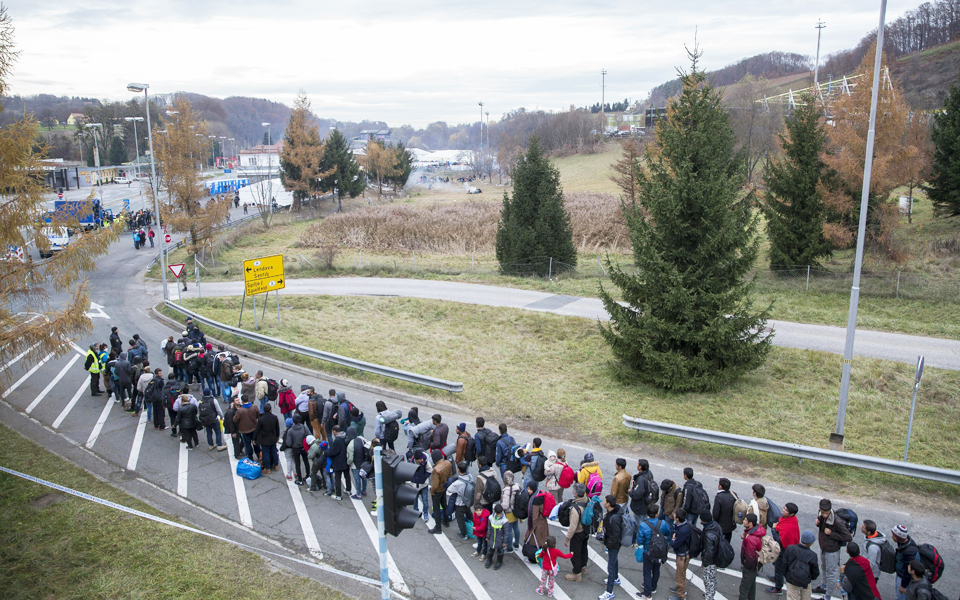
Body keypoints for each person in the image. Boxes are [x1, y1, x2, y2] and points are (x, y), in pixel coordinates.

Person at [814, 499, 853, 600]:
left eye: (826, 513)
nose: (824, 515)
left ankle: (828, 596)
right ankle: (823, 586)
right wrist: (818, 523)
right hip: (824, 547)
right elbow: (823, 528)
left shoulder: (837, 521)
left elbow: (848, 537)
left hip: (832, 551)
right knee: (823, 567)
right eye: (822, 512)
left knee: (830, 573)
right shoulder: (821, 516)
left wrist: (832, 534)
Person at [636, 503, 672, 600]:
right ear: (657, 513)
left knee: (647, 572)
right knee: (656, 569)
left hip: (649, 551)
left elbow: (639, 540)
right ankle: (653, 587)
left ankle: (647, 593)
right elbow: (668, 533)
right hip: (660, 550)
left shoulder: (643, 525)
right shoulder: (663, 523)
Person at [769, 502, 801, 594]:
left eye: (786, 510)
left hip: (784, 550)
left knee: (779, 567)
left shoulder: (788, 527)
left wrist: (774, 529)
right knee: (776, 563)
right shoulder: (791, 519)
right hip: (787, 548)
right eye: (784, 508)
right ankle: (776, 578)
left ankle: (778, 588)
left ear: (791, 514)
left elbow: (780, 540)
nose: (783, 510)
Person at [599, 494, 624, 600]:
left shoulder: (613, 518)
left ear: (608, 504)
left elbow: (615, 534)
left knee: (611, 567)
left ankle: (609, 591)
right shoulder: (617, 513)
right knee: (614, 561)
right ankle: (616, 578)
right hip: (616, 543)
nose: (603, 503)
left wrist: (608, 544)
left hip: (613, 544)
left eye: (605, 501)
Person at [564, 482, 589, 582]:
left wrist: (567, 539)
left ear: (576, 494)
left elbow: (573, 526)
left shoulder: (575, 509)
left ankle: (576, 573)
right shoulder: (587, 500)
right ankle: (583, 567)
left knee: (575, 553)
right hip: (586, 531)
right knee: (583, 549)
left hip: (578, 533)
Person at [784, 530, 820, 600]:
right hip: (805, 581)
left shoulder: (790, 548)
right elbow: (815, 572)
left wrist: (787, 575)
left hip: (792, 579)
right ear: (811, 543)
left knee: (792, 598)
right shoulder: (813, 555)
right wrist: (809, 578)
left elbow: (785, 564)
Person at [739, 513, 766, 600]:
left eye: (745, 520)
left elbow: (750, 555)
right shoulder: (755, 532)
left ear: (750, 524)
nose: (744, 521)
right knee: (751, 587)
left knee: (744, 589)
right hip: (755, 565)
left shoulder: (751, 539)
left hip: (750, 567)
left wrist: (746, 566)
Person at [446, 461, 474, 539]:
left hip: (459, 504)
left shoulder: (457, 483)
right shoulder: (470, 477)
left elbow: (449, 491)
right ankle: (475, 526)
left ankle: (463, 534)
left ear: (458, 470)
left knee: (460, 519)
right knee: (469, 514)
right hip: (468, 501)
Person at [891, 525, 919, 600]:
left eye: (893, 535)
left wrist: (903, 586)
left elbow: (908, 571)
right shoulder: (904, 542)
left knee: (901, 597)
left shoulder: (909, 552)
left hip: (902, 577)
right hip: (901, 574)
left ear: (898, 537)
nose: (891, 536)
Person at [701, 511, 724, 600]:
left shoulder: (708, 535)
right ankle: (710, 594)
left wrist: (705, 563)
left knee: (708, 580)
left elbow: (709, 552)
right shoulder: (716, 526)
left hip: (710, 561)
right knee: (713, 578)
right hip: (717, 557)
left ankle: (709, 597)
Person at [428, 449, 452, 533]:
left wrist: (432, 491)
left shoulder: (436, 470)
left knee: (436, 508)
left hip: (437, 490)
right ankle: (446, 521)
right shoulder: (448, 463)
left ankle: (438, 527)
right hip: (444, 487)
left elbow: (435, 484)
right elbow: (450, 475)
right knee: (444, 504)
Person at [252, 402, 281, 473]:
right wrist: (277, 436)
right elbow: (277, 428)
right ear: (270, 409)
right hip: (273, 437)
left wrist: (254, 438)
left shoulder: (261, 419)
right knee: (274, 450)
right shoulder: (274, 417)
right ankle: (276, 465)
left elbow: (257, 430)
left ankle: (267, 468)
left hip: (264, 438)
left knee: (265, 452)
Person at [283, 414, 310, 485]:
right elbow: (309, 435)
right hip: (304, 447)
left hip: (295, 448)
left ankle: (300, 479)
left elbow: (288, 443)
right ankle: (307, 476)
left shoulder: (291, 430)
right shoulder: (304, 427)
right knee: (306, 461)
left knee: (297, 464)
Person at [670, 508, 691, 600]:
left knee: (680, 576)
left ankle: (680, 594)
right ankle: (679, 589)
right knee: (681, 573)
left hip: (682, 556)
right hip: (683, 554)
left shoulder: (682, 530)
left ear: (677, 518)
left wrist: (672, 540)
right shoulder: (683, 526)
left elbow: (675, 543)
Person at [501, 470, 521, 552]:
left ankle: (509, 547)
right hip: (516, 511)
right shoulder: (517, 486)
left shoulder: (506, 490)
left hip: (509, 512)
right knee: (516, 527)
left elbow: (505, 505)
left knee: (508, 530)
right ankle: (516, 544)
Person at [327, 425, 350, 499]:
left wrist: (326, 452)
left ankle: (338, 495)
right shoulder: (345, 437)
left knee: (337, 478)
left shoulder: (337, 440)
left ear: (334, 431)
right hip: (345, 460)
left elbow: (333, 451)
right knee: (347, 476)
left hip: (338, 461)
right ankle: (348, 490)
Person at [713, 477, 738, 542]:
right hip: (730, 524)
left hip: (721, 525)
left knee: (720, 542)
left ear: (720, 486)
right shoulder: (734, 494)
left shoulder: (719, 497)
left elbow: (715, 513)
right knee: (727, 540)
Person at [486, 504, 508, 570]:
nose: (499, 515)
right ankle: (489, 560)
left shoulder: (505, 521)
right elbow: (489, 528)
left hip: (500, 539)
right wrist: (488, 536)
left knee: (500, 551)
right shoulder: (490, 518)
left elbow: (506, 533)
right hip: (492, 537)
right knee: (490, 549)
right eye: (498, 514)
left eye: (500, 513)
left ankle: (499, 562)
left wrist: (504, 541)